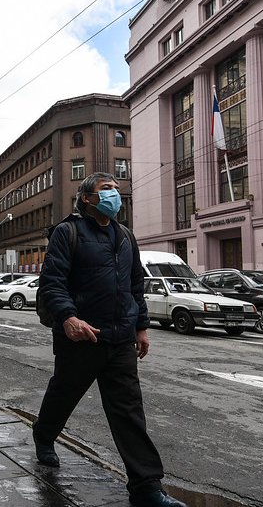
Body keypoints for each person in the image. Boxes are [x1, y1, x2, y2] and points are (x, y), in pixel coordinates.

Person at [34, 173, 187, 507]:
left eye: (117, 190)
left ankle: (147, 487)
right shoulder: (67, 232)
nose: (115, 195)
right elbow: (52, 282)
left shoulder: (125, 236)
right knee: (64, 393)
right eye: (107, 190)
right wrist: (68, 318)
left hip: (120, 340)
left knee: (128, 412)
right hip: (80, 338)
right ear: (87, 198)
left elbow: (135, 286)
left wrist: (141, 327)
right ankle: (44, 436)